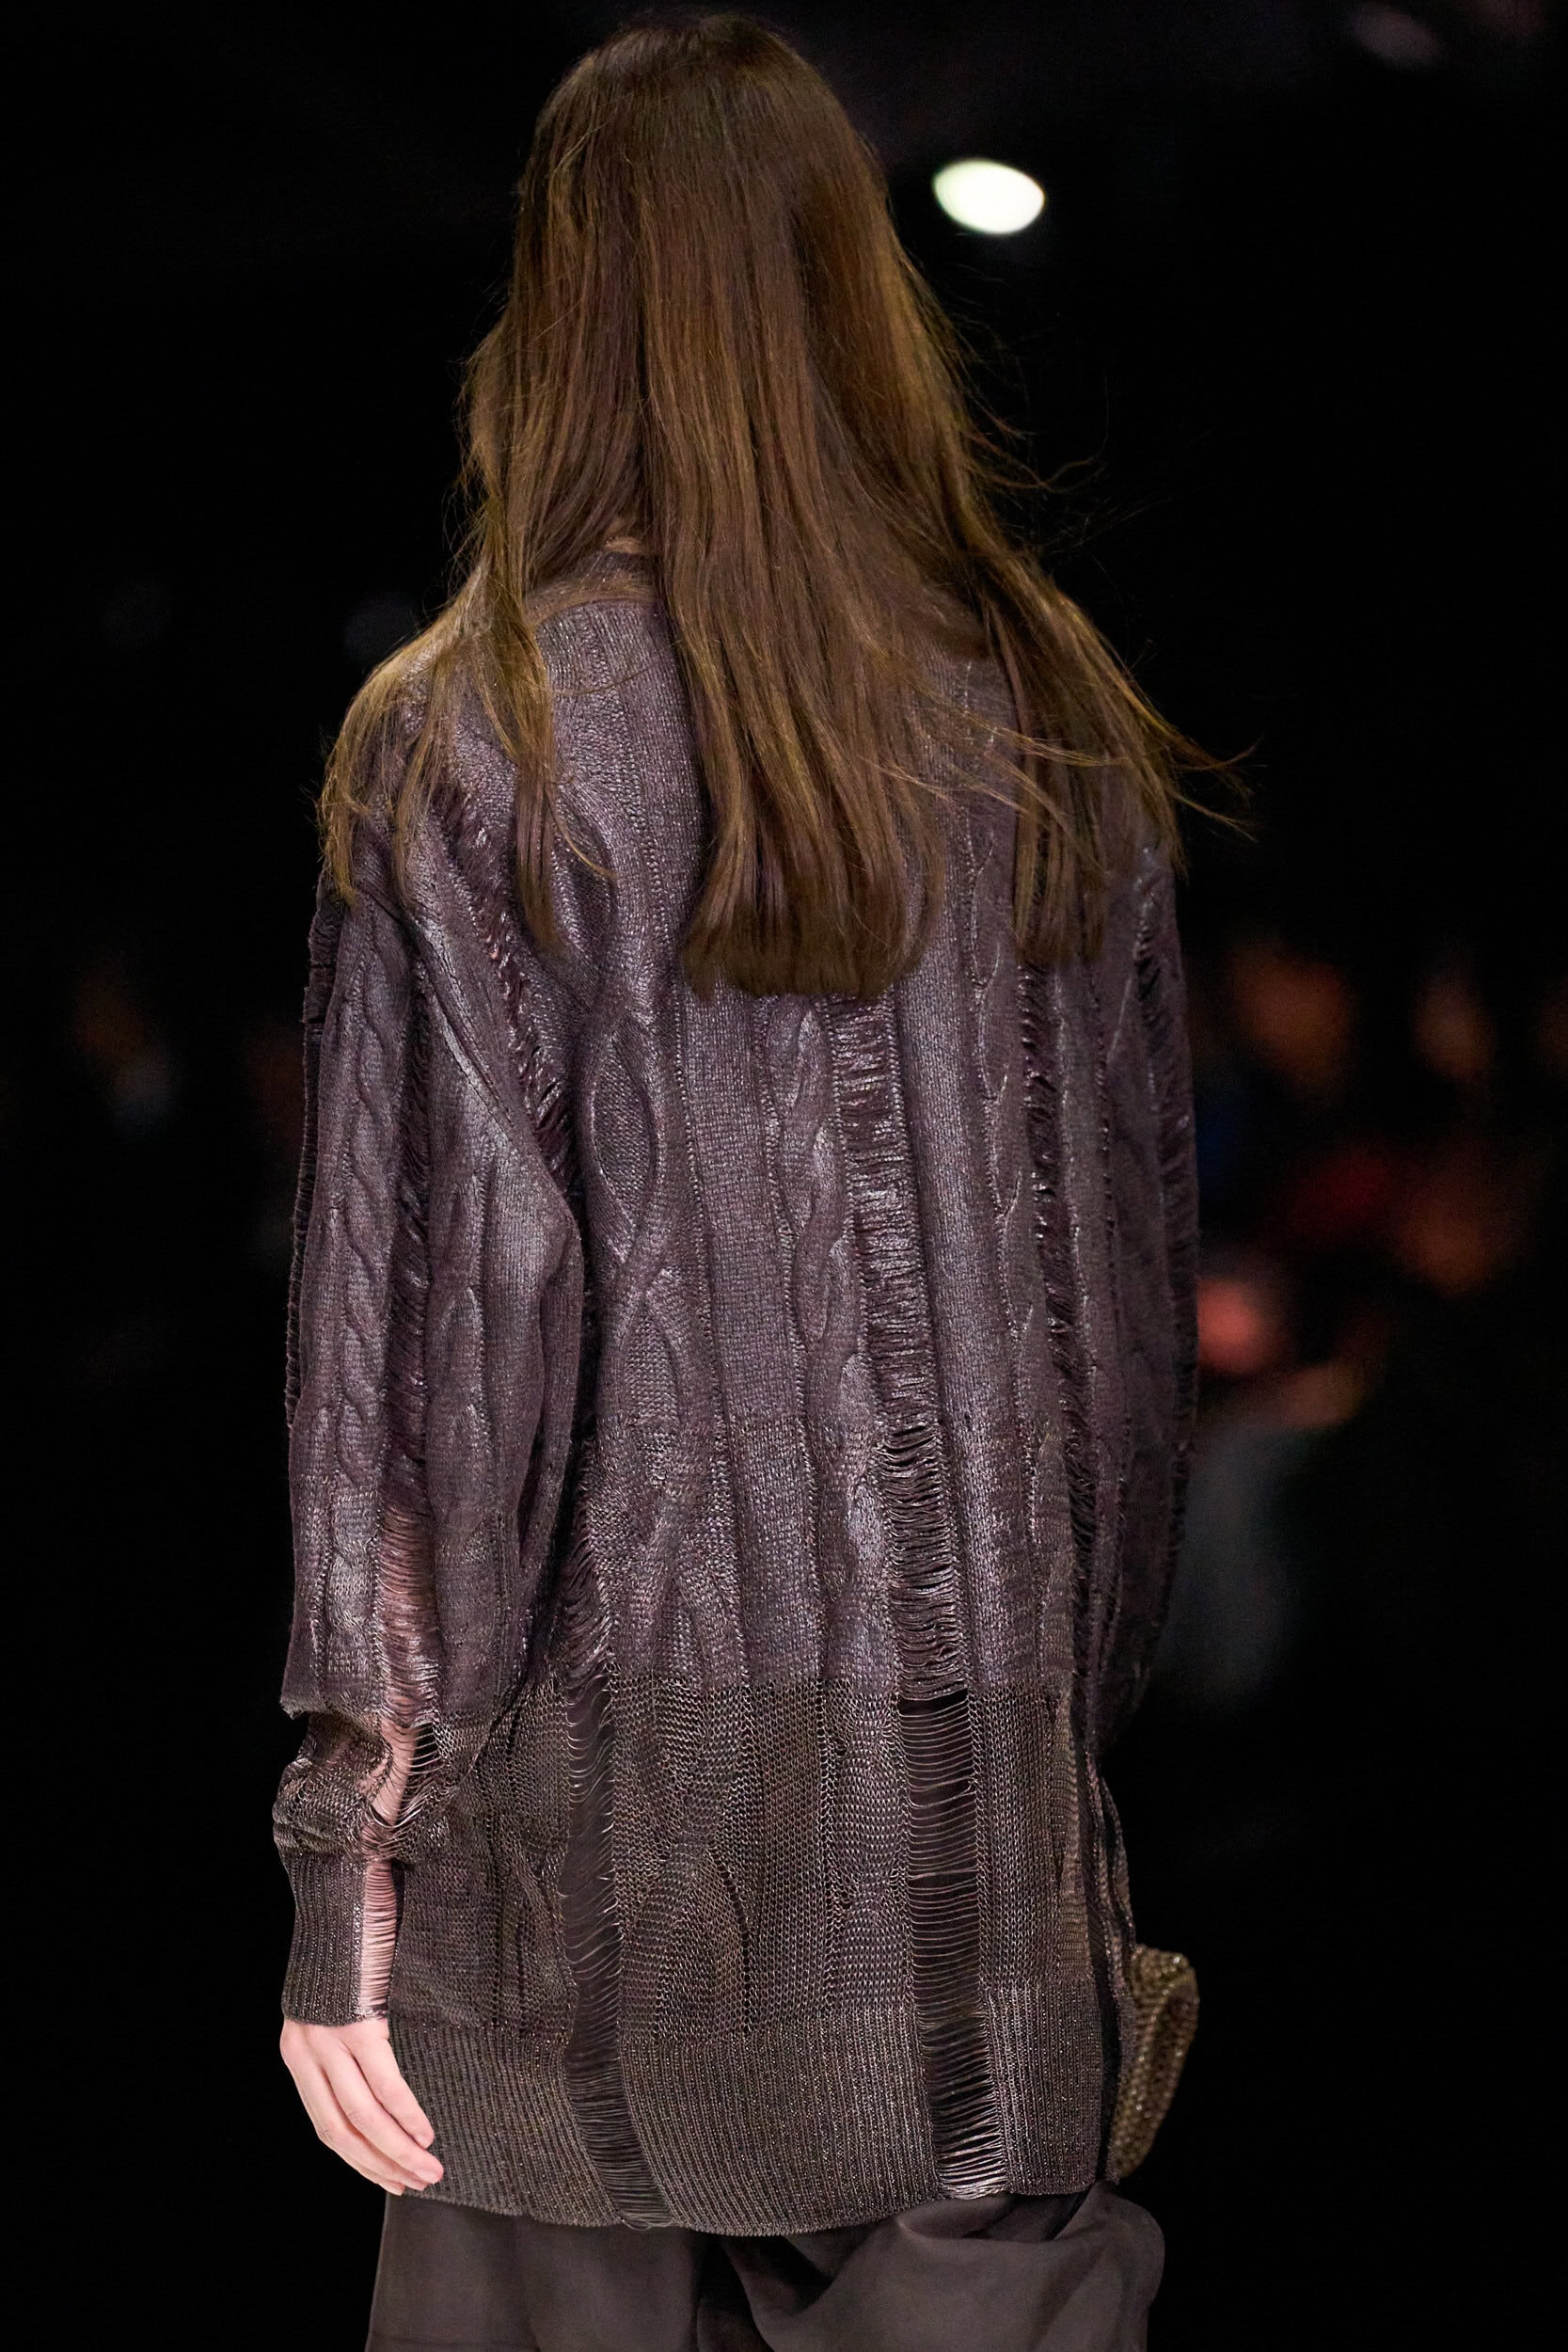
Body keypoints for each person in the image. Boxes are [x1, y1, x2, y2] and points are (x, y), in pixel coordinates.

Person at [275, 17, 1200, 2348]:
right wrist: (1047, 1757)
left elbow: (430, 1370)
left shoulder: (474, 732)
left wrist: (349, 1856)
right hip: (975, 1840)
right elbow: (1122, 1331)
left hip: (582, 1877)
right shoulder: (1049, 705)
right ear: (850, 288)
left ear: (560, 305)